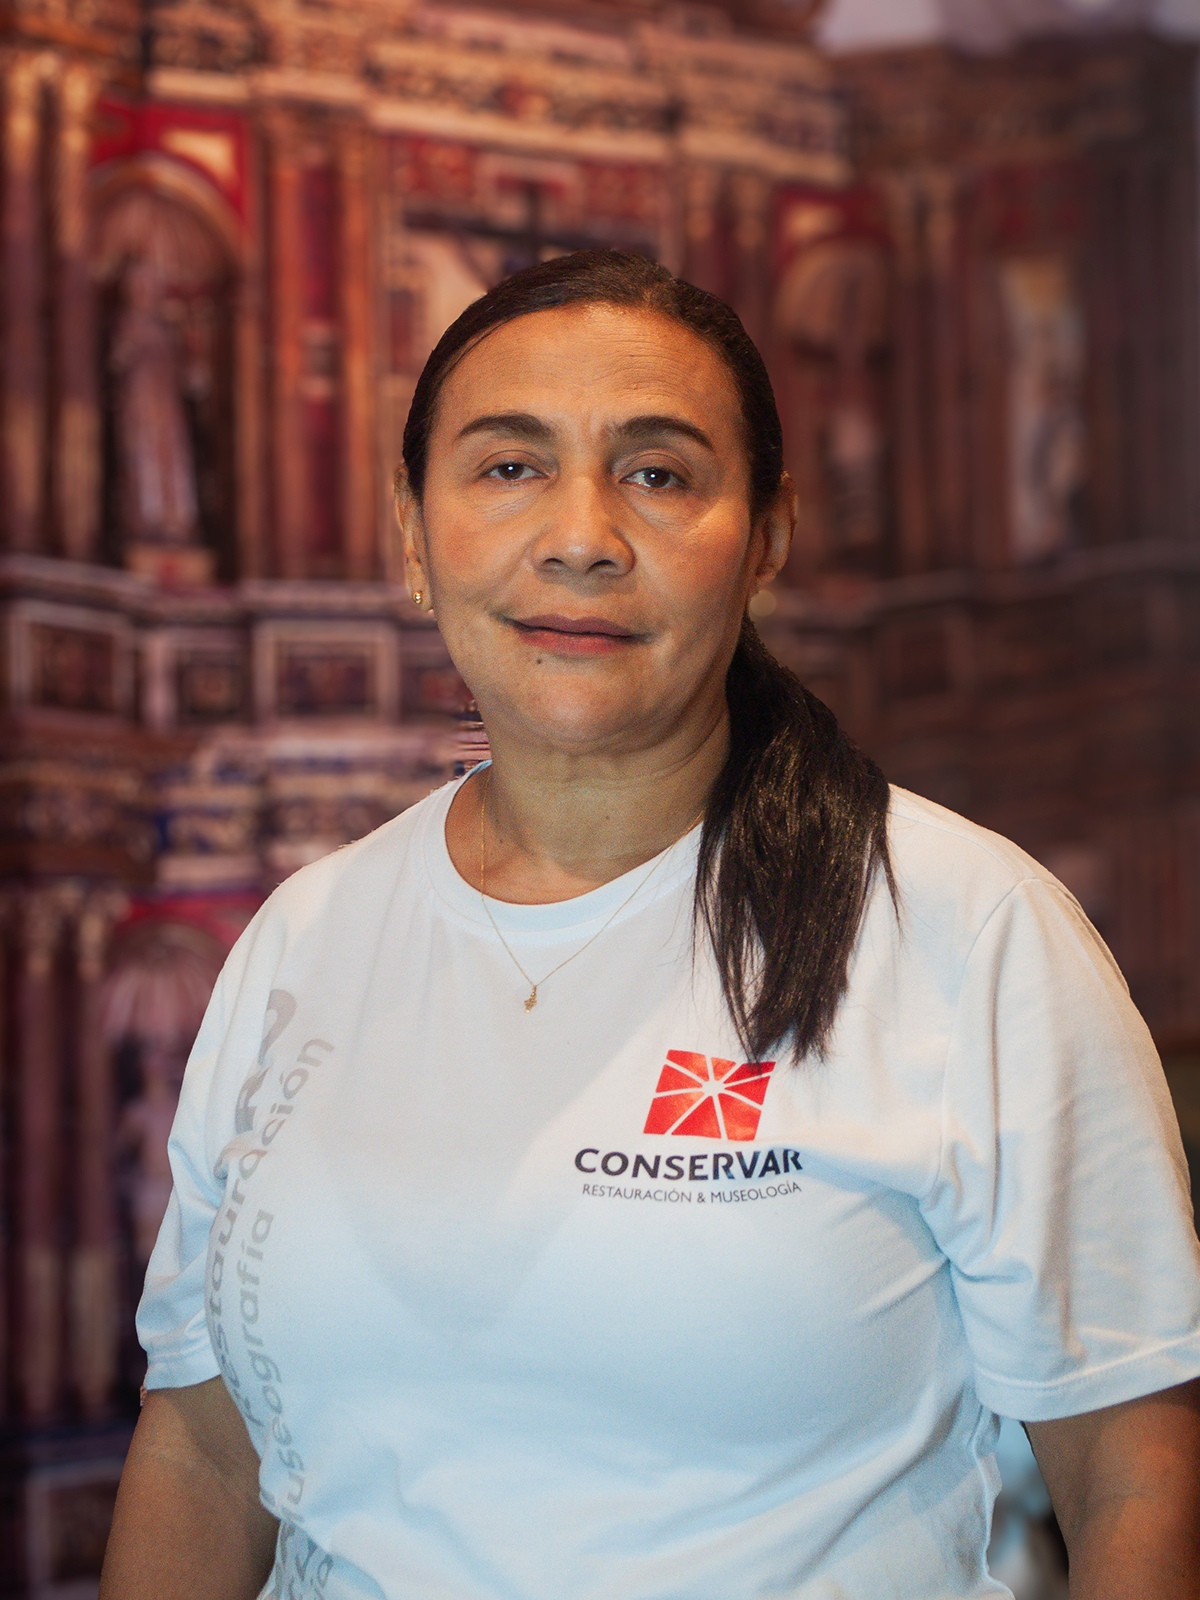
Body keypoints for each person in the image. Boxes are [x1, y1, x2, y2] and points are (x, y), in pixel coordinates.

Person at [101, 250, 1200, 1600]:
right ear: (412, 530)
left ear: (769, 535)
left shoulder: (971, 932)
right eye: (508, 466)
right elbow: (204, 1453)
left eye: (660, 473)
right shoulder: (303, 940)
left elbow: (1131, 1472)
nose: (581, 534)